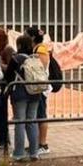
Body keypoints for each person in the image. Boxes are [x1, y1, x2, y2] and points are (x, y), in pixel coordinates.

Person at [3, 34, 45, 162]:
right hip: (35, 93)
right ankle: (34, 152)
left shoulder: (16, 59)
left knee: (19, 122)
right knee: (32, 121)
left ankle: (19, 153)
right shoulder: (35, 58)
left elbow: (8, 76)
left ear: (19, 45)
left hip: (20, 94)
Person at [25, 25, 60, 156]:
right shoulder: (36, 48)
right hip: (36, 86)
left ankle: (43, 144)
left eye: (26, 35)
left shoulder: (41, 49)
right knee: (37, 115)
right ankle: (36, 143)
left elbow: (41, 68)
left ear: (32, 37)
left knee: (41, 115)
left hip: (40, 87)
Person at [0, 26, 15, 149]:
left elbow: (11, 68)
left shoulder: (7, 49)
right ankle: (0, 137)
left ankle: (3, 138)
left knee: (2, 112)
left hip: (4, 84)